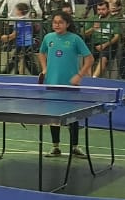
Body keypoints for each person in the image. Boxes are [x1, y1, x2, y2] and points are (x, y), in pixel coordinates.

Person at [38, 11, 93, 158]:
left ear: (67, 24)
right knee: (53, 116)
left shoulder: (75, 39)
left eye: (60, 22)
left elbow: (89, 59)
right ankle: (55, 147)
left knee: (72, 116)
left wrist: (79, 75)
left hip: (70, 85)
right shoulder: (48, 38)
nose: (57, 25)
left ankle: (75, 147)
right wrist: (44, 68)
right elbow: (41, 53)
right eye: (54, 22)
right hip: (52, 83)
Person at [84, 1, 120, 78]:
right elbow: (84, 34)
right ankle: (89, 79)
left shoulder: (114, 19)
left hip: (108, 44)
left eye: (103, 9)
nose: (101, 11)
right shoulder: (93, 18)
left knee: (103, 58)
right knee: (88, 58)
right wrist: (93, 29)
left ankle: (94, 78)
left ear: (108, 9)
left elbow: (117, 36)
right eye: (99, 9)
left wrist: (104, 45)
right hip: (94, 43)